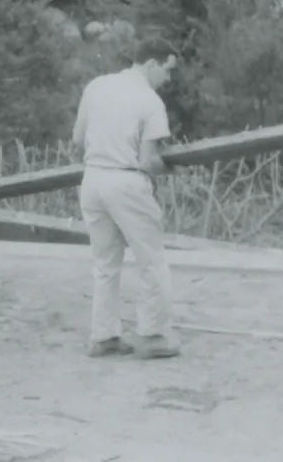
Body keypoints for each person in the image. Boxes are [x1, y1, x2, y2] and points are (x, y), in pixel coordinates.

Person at [71, 36, 180, 360]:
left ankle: (104, 336)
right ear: (151, 64)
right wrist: (166, 169)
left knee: (105, 264)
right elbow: (148, 160)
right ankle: (153, 335)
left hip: (93, 178)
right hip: (126, 182)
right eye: (167, 70)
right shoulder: (149, 101)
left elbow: (78, 138)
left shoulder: (97, 86)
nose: (168, 79)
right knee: (152, 261)